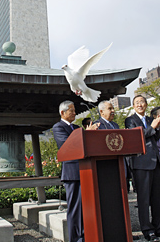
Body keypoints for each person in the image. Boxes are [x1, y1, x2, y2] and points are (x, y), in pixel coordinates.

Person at [53, 100, 99, 242]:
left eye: (74, 110)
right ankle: (76, 238)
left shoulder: (76, 127)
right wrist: (86, 134)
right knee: (74, 208)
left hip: (85, 170)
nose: (74, 113)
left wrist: (90, 135)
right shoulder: (58, 127)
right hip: (72, 172)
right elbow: (68, 145)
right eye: (71, 111)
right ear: (63, 113)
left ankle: (86, 235)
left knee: (86, 207)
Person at [125, 95, 160, 242]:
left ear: (146, 105)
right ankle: (147, 229)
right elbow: (137, 137)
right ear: (133, 106)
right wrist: (152, 127)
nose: (140, 104)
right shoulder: (131, 120)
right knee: (144, 199)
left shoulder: (152, 119)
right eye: (137, 102)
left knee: (157, 198)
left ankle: (158, 227)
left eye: (142, 102)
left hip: (156, 163)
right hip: (141, 164)